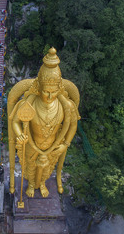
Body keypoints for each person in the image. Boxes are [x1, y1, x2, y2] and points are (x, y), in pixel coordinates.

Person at [8, 47, 80, 198]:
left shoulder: (66, 106)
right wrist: (20, 134)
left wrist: (65, 144)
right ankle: (32, 184)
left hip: (53, 143)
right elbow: (15, 121)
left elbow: (73, 124)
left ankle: (42, 183)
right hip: (31, 143)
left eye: (53, 91)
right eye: (46, 90)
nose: (49, 95)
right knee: (30, 167)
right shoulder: (29, 104)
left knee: (47, 168)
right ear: (39, 87)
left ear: (59, 88)